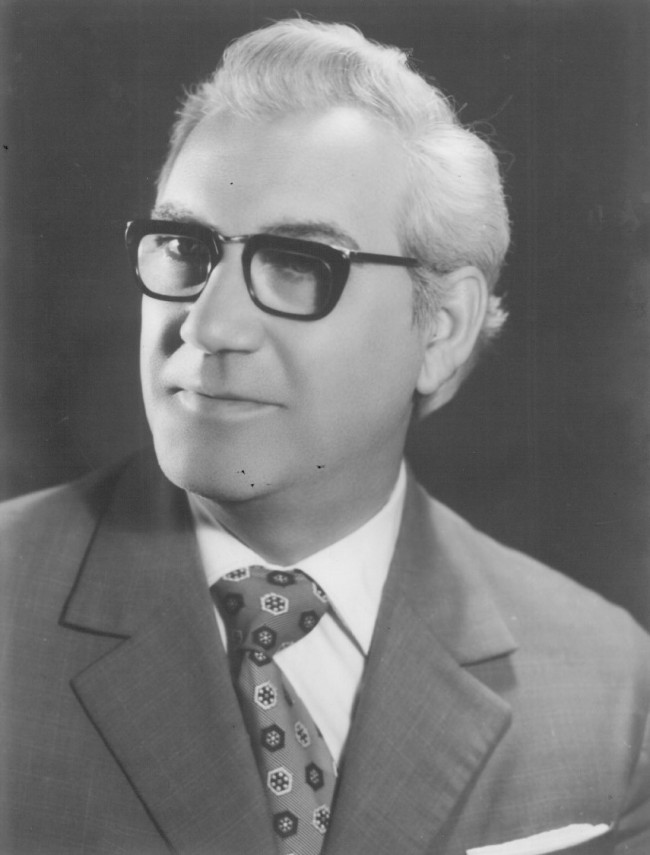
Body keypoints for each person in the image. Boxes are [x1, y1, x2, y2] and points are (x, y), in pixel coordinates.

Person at [1, 18, 648, 855]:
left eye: (298, 264)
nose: (207, 325)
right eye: (185, 247)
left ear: (443, 328)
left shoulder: (612, 688)